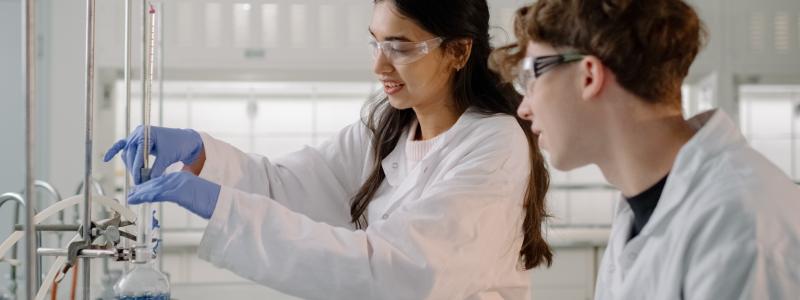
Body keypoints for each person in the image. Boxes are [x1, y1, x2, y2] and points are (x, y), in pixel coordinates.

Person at [105, 0, 554, 298]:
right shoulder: (388, 132)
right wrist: (201, 155)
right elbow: (286, 186)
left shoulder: (493, 143)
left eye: (399, 47)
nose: (378, 64)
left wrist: (221, 205)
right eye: (376, 43)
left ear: (458, 51)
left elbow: (399, 271)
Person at [491, 0, 800, 299]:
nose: (524, 108)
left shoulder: (741, 225)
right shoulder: (643, 205)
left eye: (531, 78)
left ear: (588, 76)